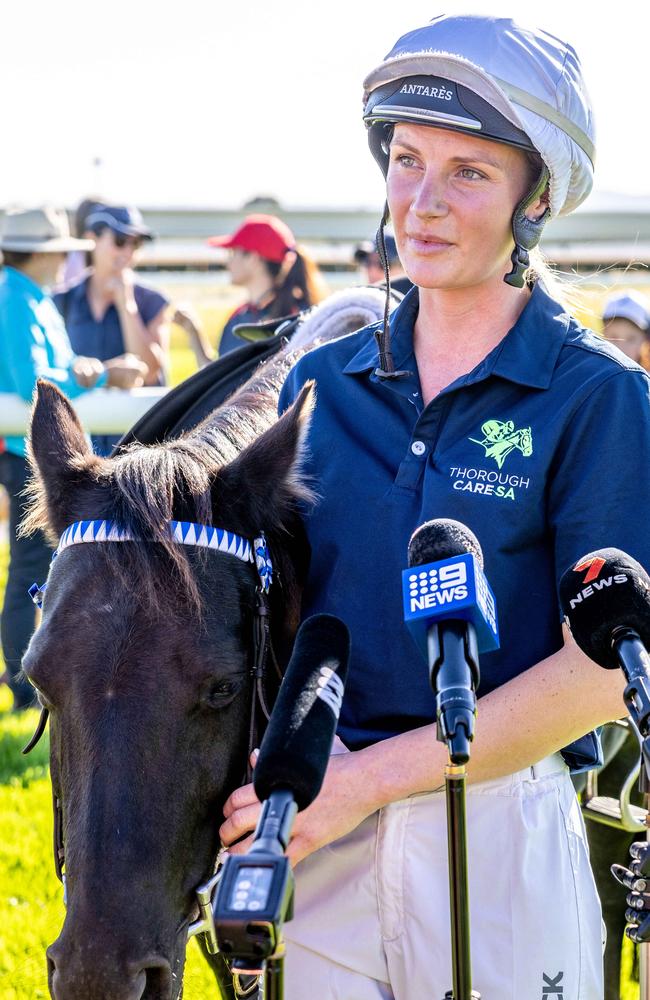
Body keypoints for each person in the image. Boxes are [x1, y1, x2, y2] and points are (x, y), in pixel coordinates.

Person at [219, 15, 650, 999]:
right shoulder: (319, 381)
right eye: (406, 159)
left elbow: (596, 676)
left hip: (498, 822)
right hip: (319, 825)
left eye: (467, 172)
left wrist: (368, 781)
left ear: (532, 199)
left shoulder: (595, 395)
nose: (421, 202)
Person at [0, 206, 146, 709]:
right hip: (27, 452)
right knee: (33, 569)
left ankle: (27, 681)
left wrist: (88, 372)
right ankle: (24, 686)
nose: (67, 260)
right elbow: (30, 384)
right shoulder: (15, 299)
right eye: (63, 251)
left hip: (32, 448)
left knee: (40, 566)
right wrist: (101, 374)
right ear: (45, 253)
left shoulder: (27, 296)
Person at [54, 203, 170, 454]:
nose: (128, 252)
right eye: (120, 240)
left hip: (135, 446)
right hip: (76, 442)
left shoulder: (152, 301)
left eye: (136, 243)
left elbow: (149, 372)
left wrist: (126, 305)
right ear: (91, 239)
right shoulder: (60, 300)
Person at [208, 213, 328, 356]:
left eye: (233, 253)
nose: (228, 262)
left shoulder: (301, 320)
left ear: (253, 258)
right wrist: (193, 332)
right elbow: (221, 374)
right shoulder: (239, 314)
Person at [601, 289, 650, 365]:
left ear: (644, 339)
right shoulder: (595, 373)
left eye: (631, 339)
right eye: (614, 338)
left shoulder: (646, 376)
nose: (621, 348)